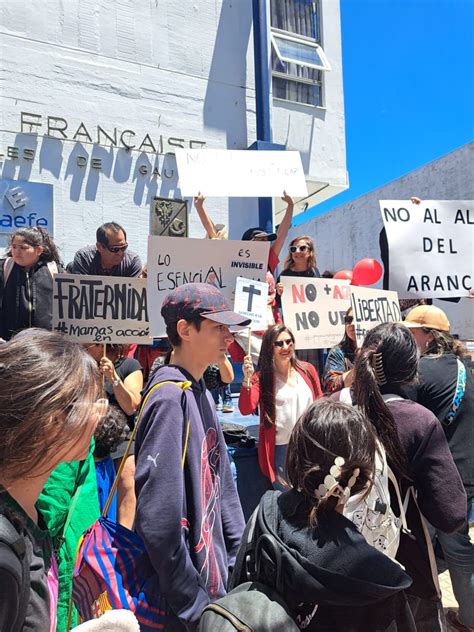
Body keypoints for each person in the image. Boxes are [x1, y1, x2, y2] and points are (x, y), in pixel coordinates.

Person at [230, 399, 417, 631]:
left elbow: (237, 588)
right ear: (361, 476)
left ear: (295, 455)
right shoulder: (378, 581)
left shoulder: (265, 514)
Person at [335, 322, 466, 631]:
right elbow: (451, 515)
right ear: (412, 367)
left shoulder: (330, 411)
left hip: (336, 568)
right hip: (406, 573)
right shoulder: (419, 421)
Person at [134, 283, 250, 630]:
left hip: (216, 592)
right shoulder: (170, 398)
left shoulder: (198, 391)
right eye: (217, 327)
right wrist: (194, 606)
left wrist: (238, 566)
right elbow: (159, 522)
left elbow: (223, 491)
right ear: (184, 330)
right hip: (185, 610)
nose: (228, 336)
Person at [0, 328, 106, 632]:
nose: (99, 415)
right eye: (90, 402)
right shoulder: (4, 551)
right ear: (53, 422)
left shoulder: (30, 516)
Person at [403, 305, 474, 632]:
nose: (408, 337)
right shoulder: (465, 366)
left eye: (412, 332)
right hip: (467, 475)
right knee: (453, 546)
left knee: (431, 549)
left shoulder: (420, 373)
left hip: (439, 479)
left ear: (429, 337)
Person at [239, 324, 322, 489]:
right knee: (289, 501)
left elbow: (320, 403)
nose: (286, 347)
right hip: (281, 450)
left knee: (314, 496)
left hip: (310, 445)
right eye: (279, 343)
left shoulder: (308, 370)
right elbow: (246, 408)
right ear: (270, 347)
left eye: (289, 342)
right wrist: (246, 381)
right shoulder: (261, 377)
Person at [85, 343, 143, 530]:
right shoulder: (81, 365)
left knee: (128, 476)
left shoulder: (130, 366)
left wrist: (113, 378)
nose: (84, 346)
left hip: (120, 434)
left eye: (89, 344)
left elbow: (131, 406)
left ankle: (124, 533)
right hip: (89, 434)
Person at [0, 227, 63, 341]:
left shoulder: (53, 270)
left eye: (23, 248)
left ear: (39, 250)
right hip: (9, 342)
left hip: (45, 343)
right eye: (14, 247)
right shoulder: (4, 268)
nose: (17, 251)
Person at [276, 235, 322, 370]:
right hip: (293, 327)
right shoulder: (284, 275)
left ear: (310, 252)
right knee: (294, 363)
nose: (297, 251)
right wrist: (279, 292)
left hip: (312, 326)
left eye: (302, 248)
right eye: (293, 248)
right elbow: (278, 304)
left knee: (313, 366)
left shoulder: (314, 272)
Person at [68, 222, 142, 276]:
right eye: (114, 249)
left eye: (123, 247)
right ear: (100, 247)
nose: (120, 253)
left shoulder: (132, 261)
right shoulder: (84, 258)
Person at [322, 307, 357, 394]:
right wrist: (359, 367)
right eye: (348, 319)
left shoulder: (378, 350)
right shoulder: (337, 352)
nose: (352, 323)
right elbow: (330, 386)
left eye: (357, 320)